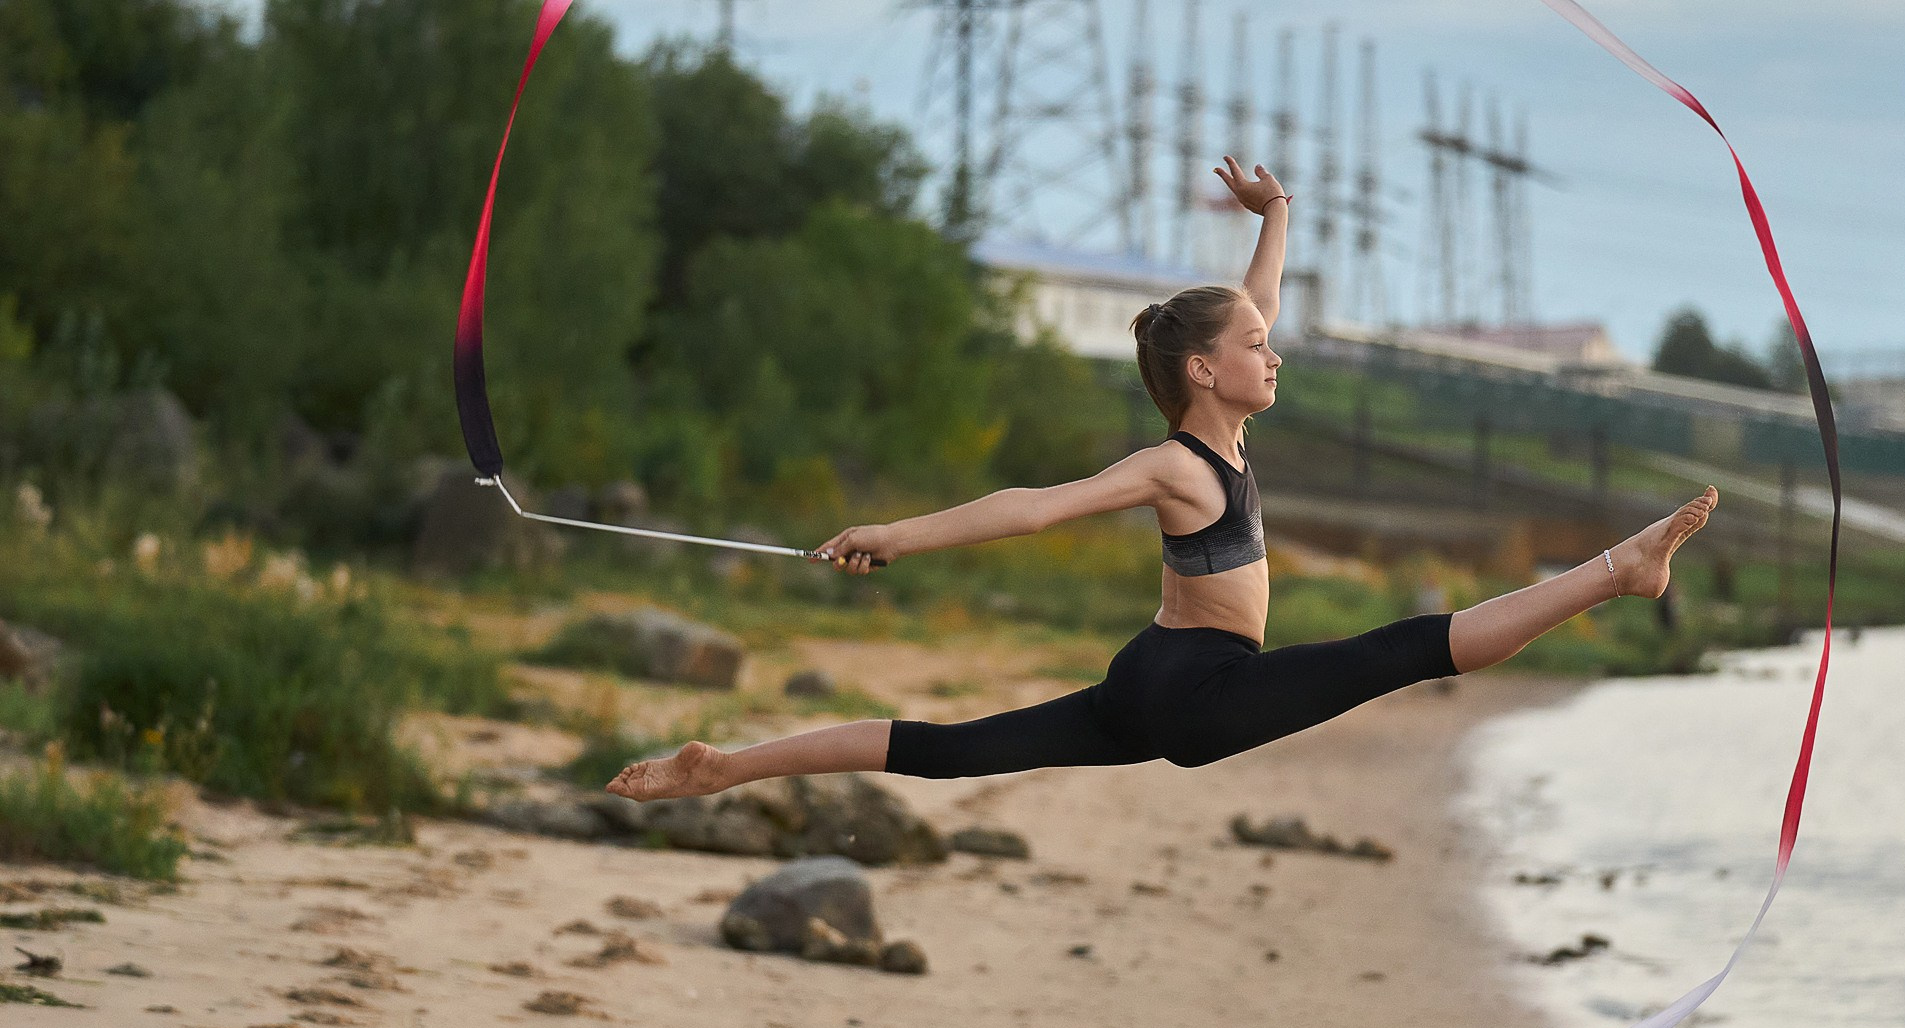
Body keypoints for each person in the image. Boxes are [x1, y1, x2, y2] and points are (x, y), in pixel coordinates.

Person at [608, 155, 1716, 801]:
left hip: (1159, 677)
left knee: (947, 753)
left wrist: (1276, 215)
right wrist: (901, 531)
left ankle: (727, 767)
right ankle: (1619, 572)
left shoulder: (1217, 431)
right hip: (1196, 690)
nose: (1272, 352)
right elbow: (1035, 508)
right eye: (1254, 348)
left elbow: (1260, 301)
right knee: (1405, 650)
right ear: (1203, 371)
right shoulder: (1177, 466)